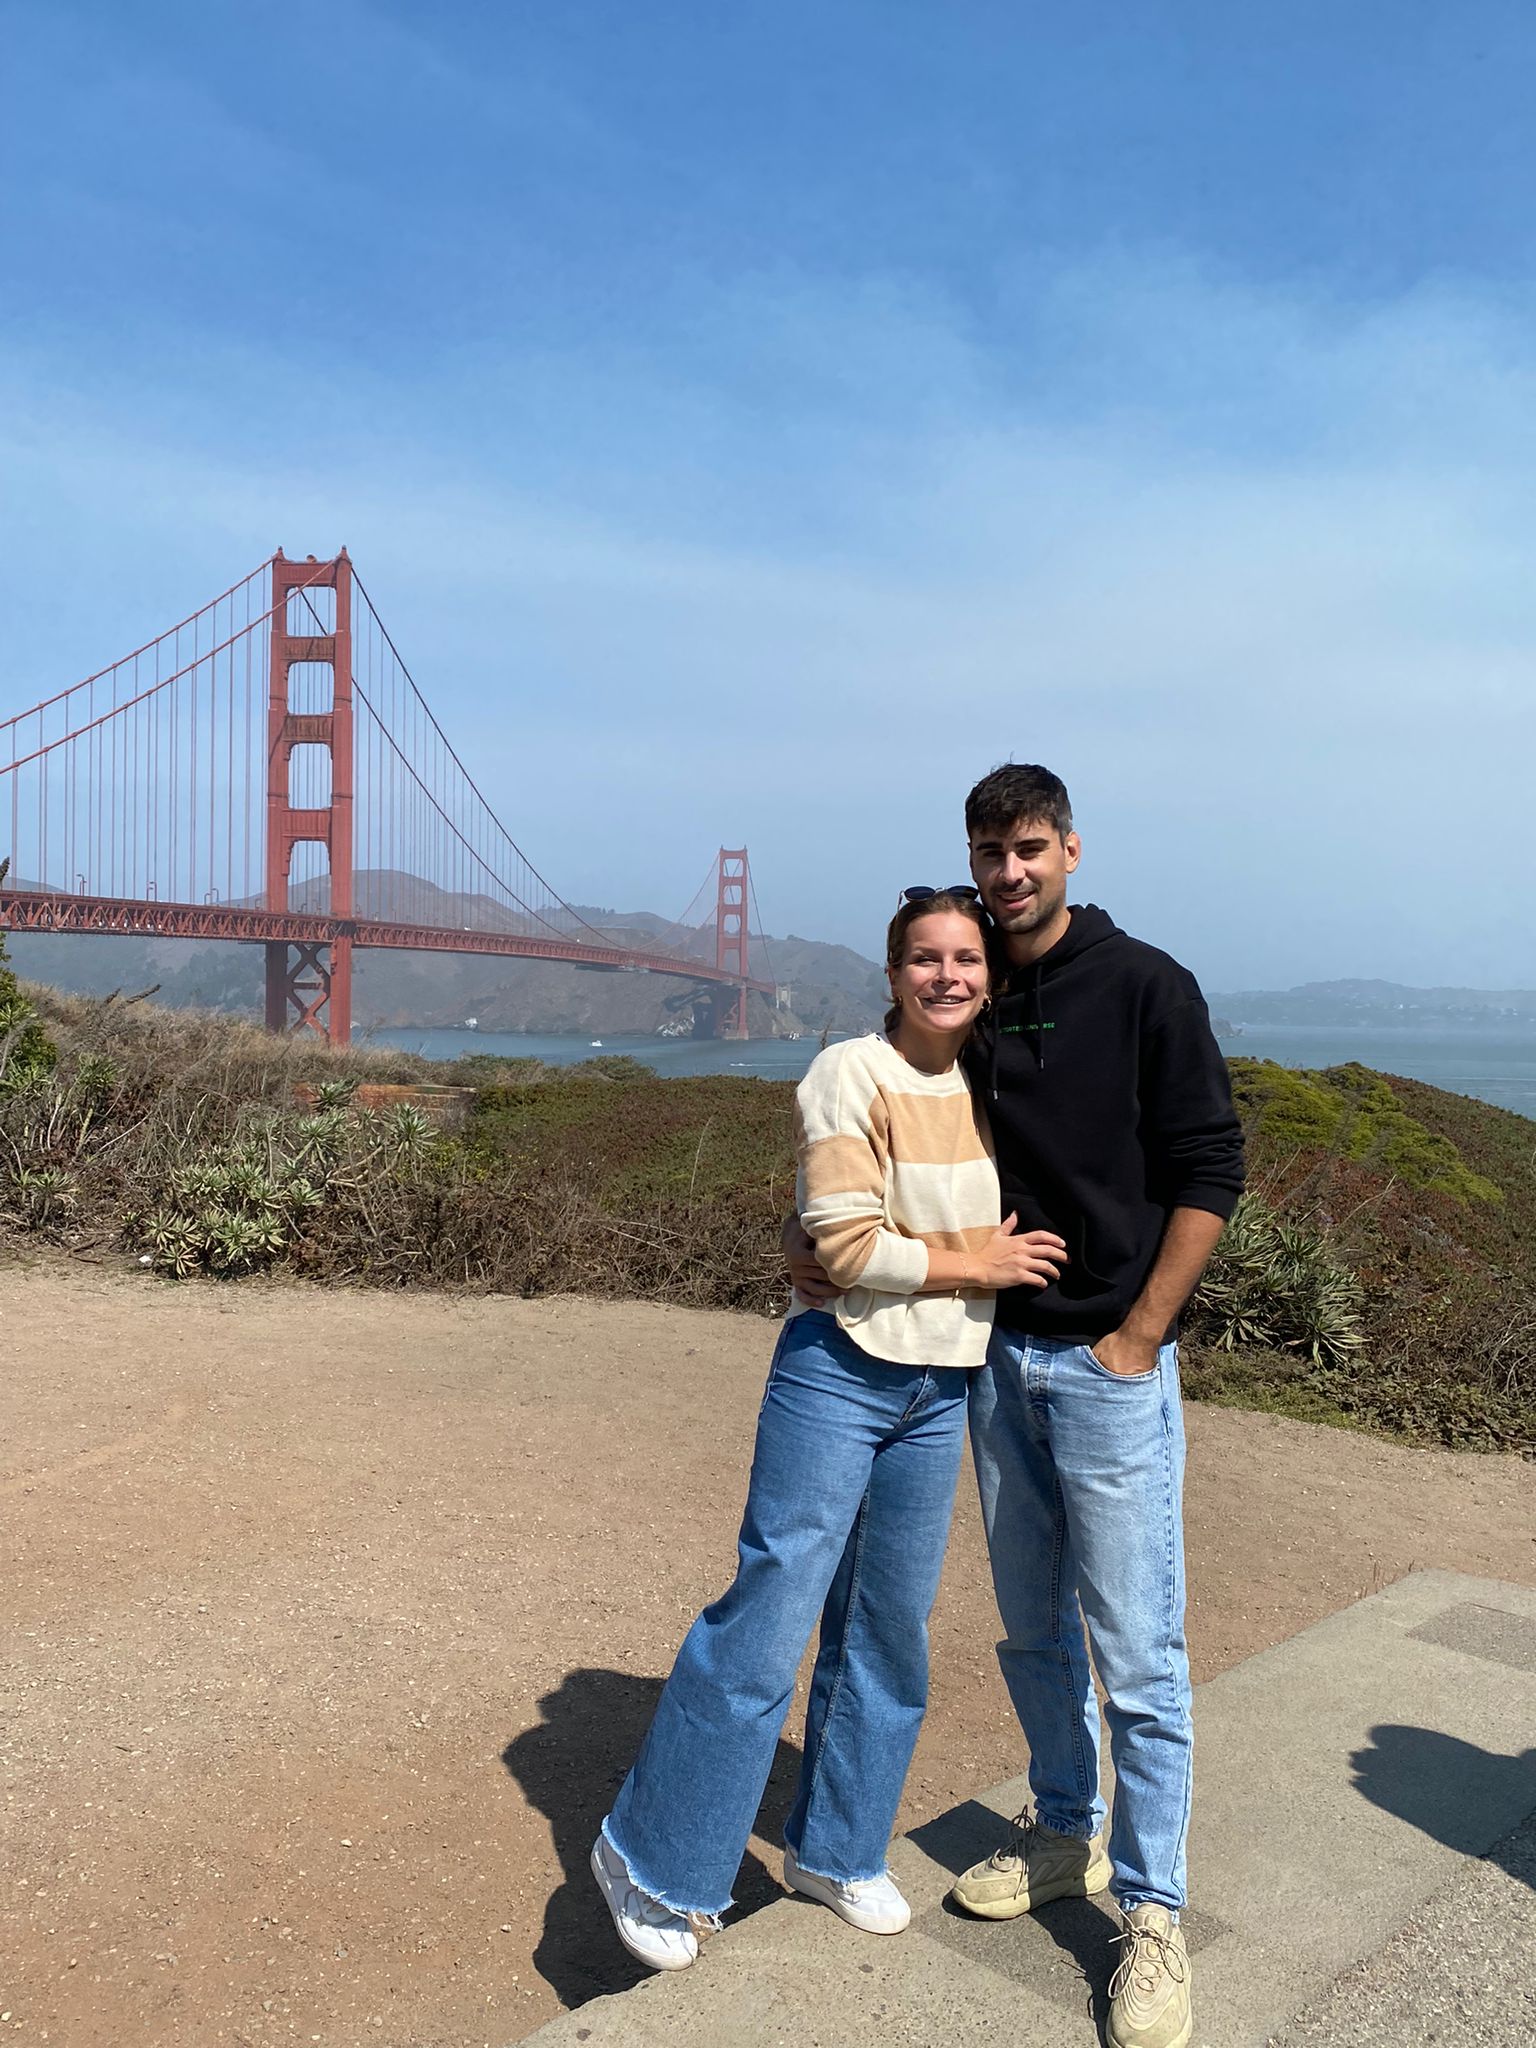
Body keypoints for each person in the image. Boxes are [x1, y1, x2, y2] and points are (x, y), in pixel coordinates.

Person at [787, 766, 1244, 2048]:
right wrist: (807, 1236)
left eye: (1029, 847)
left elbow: (1211, 1165)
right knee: (1033, 1631)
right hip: (989, 1358)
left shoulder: (1147, 984)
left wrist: (1137, 1338)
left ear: (1071, 850)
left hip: (1106, 1367)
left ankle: (1153, 1912)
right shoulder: (978, 994)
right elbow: (887, 1125)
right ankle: (1064, 1827)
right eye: (990, 850)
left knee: (1138, 1653)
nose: (1009, 871)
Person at [592, 888, 1068, 1973]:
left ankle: (837, 1850)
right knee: (770, 1612)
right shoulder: (849, 1071)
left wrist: (831, 1237)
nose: (947, 975)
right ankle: (651, 1858)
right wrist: (974, 1265)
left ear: (989, 976)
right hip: (840, 1371)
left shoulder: (993, 1082)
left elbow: (861, 1229)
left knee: (889, 1628)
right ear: (892, 972)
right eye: (924, 958)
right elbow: (849, 1249)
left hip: (940, 1385)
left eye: (966, 959)